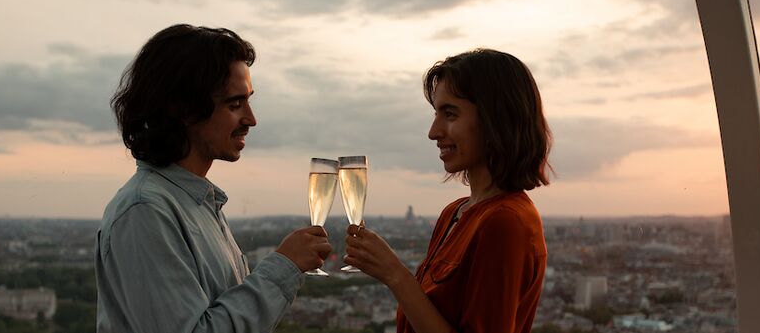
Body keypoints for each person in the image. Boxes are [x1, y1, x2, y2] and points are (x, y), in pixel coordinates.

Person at [96, 24, 333, 333]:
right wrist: (283, 266)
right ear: (183, 108)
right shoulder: (145, 212)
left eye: (248, 101)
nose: (251, 119)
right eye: (235, 104)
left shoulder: (194, 205)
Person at [344, 49, 551, 333]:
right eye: (436, 114)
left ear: (495, 119)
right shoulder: (455, 213)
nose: (433, 131)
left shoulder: (506, 222)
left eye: (450, 114)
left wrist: (395, 274)